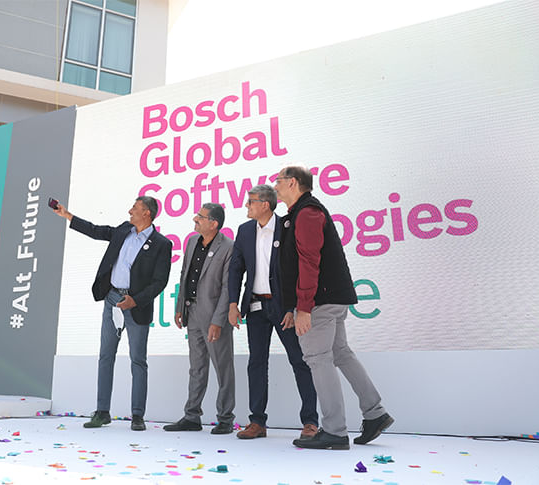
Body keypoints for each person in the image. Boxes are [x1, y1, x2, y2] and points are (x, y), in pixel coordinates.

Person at [275, 166, 394, 450]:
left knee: (318, 358)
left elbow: (309, 261)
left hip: (320, 301)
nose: (275, 186)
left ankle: (335, 430)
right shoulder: (303, 212)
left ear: (293, 183)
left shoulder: (307, 213)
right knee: (340, 353)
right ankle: (375, 413)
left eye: (278, 181)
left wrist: (304, 307)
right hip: (330, 298)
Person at [53, 196, 172, 431]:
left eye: (135, 208)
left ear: (147, 213)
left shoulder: (162, 244)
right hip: (112, 299)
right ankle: (102, 412)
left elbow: (160, 282)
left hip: (136, 305)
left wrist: (135, 300)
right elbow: (97, 231)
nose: (130, 211)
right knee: (106, 356)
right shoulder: (124, 230)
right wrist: (67, 215)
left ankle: (137, 415)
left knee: (138, 360)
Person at [228, 184, 319, 440]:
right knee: (256, 363)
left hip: (283, 308)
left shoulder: (287, 227)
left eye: (251, 202)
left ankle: (310, 421)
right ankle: (257, 422)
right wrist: (233, 303)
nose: (246, 206)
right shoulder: (245, 230)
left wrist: (292, 307)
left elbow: (297, 270)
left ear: (265, 204)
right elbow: (235, 269)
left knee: (299, 361)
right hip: (255, 307)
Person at [164, 203, 236, 434]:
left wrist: (218, 320)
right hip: (192, 312)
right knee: (197, 367)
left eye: (201, 217)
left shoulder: (228, 247)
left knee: (223, 368)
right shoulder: (192, 241)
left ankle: (225, 418)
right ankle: (192, 416)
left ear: (214, 223)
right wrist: (180, 306)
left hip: (214, 317)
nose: (195, 219)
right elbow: (184, 275)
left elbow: (227, 288)